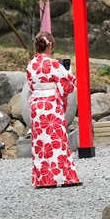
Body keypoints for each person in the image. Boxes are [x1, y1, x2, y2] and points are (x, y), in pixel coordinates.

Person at [26, 32, 80, 189]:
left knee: (41, 143)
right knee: (58, 141)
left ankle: (43, 179)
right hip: (51, 105)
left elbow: (30, 85)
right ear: (49, 46)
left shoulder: (30, 65)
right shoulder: (54, 64)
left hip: (37, 106)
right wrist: (70, 72)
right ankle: (64, 177)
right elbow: (68, 82)